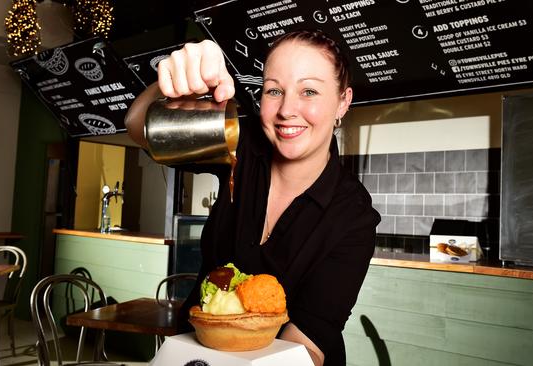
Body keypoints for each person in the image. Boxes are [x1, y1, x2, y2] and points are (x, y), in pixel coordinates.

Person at [125, 30, 380, 366]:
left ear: (343, 102)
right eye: (274, 90)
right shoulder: (240, 145)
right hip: (194, 354)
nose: (287, 110)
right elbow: (137, 126)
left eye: (309, 91)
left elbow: (309, 342)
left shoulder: (353, 216)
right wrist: (171, 81)